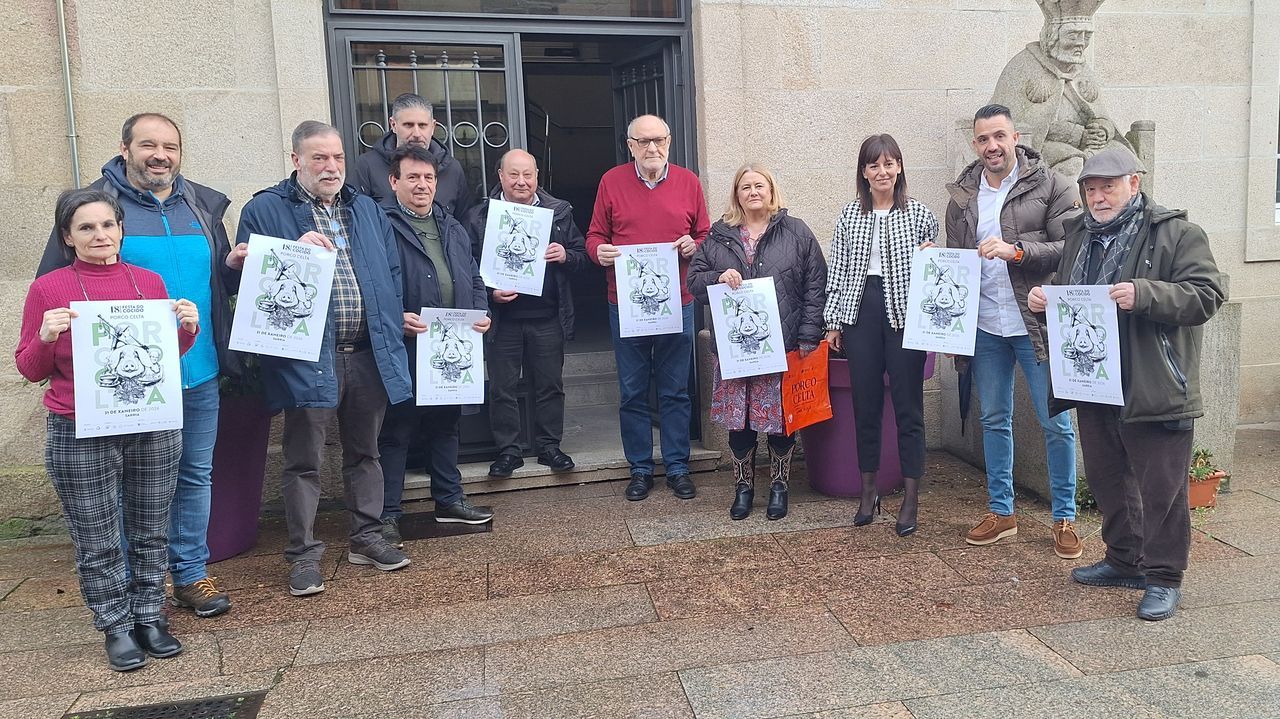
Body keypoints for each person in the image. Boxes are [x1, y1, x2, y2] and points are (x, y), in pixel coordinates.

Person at [34, 113, 237, 618]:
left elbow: (221, 285)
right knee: (128, 483)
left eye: (171, 145)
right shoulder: (96, 209)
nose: (160, 154)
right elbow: (56, 290)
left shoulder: (203, 206)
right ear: (124, 149)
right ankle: (130, 587)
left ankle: (191, 573)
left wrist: (236, 268)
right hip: (125, 383)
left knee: (195, 475)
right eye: (148, 144)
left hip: (197, 367)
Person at [1029, 149, 1226, 621]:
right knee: (1108, 477)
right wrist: (1046, 299)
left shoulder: (1175, 232)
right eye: (1091, 188)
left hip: (1155, 381)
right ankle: (1123, 559)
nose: (1098, 197)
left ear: (1133, 184)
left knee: (1163, 488)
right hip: (1095, 380)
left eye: (1109, 186)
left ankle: (1163, 577)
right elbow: (1074, 291)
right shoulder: (1077, 234)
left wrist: (1146, 294)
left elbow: (1208, 295)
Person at [227, 121, 413, 597]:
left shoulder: (366, 207)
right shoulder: (266, 208)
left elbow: (390, 273)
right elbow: (247, 282)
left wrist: (393, 324)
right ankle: (303, 556)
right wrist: (281, 252)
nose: (331, 167)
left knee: (366, 452)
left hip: (369, 353)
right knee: (304, 459)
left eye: (337, 158)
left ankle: (367, 537)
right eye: (319, 158)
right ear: (296, 160)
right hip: (309, 356)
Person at [18, 189, 200, 671]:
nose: (100, 235)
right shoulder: (49, 289)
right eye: (86, 228)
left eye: (107, 225)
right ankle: (114, 625)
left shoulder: (148, 282)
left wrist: (186, 329)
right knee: (96, 534)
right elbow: (30, 368)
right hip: (79, 428)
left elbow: (158, 361)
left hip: (150, 424)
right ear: (68, 237)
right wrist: (45, 335)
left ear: (120, 229)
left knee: (150, 528)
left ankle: (149, 616)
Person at [946, 104, 1083, 559]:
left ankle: (1064, 517)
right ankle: (1001, 512)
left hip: (1035, 323)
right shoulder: (962, 196)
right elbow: (958, 264)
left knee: (1056, 421)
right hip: (985, 325)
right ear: (975, 144)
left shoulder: (1051, 184)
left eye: (999, 136)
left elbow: (1072, 246)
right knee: (992, 419)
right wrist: (937, 263)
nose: (992, 146)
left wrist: (1018, 252)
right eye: (983, 139)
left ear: (1015, 136)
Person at [688, 163, 826, 521]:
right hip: (735, 351)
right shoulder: (719, 236)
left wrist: (810, 334)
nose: (753, 192)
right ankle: (743, 488)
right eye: (745, 187)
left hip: (781, 345)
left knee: (780, 420)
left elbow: (816, 285)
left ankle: (780, 487)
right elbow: (694, 283)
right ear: (737, 194)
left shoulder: (796, 232)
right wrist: (719, 276)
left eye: (759, 186)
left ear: (770, 191)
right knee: (741, 423)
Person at [586, 114, 710, 502]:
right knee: (633, 392)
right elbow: (594, 236)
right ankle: (640, 468)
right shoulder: (611, 181)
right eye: (643, 142)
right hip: (626, 304)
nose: (652, 148)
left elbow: (706, 233)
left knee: (675, 391)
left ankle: (677, 467)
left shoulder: (689, 182)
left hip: (678, 302)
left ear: (669, 141)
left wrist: (695, 245)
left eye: (658, 140)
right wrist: (599, 252)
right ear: (630, 146)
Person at [378, 145, 494, 546]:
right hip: (406, 343)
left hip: (450, 345)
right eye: (412, 177)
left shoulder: (452, 227)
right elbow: (372, 284)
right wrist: (396, 318)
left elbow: (474, 277)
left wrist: (481, 312)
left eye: (428, 178)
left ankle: (448, 500)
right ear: (394, 182)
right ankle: (388, 514)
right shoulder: (381, 225)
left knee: (447, 426)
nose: (422, 185)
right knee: (397, 430)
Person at [824, 134, 938, 538]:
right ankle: (868, 490)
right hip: (861, 312)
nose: (882, 171)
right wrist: (834, 320)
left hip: (904, 315)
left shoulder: (921, 214)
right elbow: (837, 269)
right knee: (865, 403)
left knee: (909, 407)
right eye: (874, 165)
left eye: (889, 163)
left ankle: (910, 496)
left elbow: (934, 269)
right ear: (864, 172)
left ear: (900, 167)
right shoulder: (849, 215)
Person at [462, 149, 589, 478]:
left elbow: (581, 255)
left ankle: (550, 446)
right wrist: (490, 295)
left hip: (547, 316)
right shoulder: (479, 216)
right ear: (500, 176)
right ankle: (509, 451)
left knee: (550, 385)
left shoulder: (558, 213)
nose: (521, 181)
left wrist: (566, 254)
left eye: (528, 175)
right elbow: (466, 267)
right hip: (502, 320)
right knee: (502, 387)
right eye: (514, 175)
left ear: (536, 177)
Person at [988, 0, 1138, 178]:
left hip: (1086, 144)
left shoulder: (1082, 71)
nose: (1080, 43)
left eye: (1086, 36)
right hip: (1040, 146)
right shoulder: (1023, 66)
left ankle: (1126, 206)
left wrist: (1103, 130)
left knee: (1125, 160)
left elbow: (1101, 115)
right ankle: (1071, 206)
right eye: (1073, 35)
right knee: (1072, 162)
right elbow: (1009, 126)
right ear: (1053, 36)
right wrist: (1077, 135)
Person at [350, 93, 472, 216]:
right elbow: (358, 219)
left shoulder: (452, 169)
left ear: (433, 126)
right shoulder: (368, 165)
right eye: (409, 125)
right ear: (393, 125)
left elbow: (463, 221)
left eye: (422, 125)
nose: (417, 133)